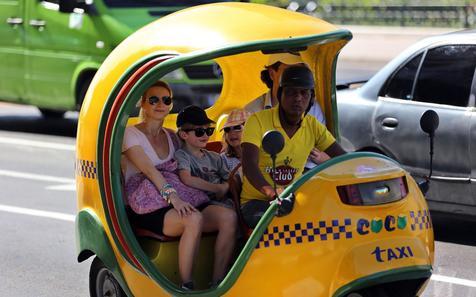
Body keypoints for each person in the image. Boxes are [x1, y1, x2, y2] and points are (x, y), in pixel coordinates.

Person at [121, 82, 236, 290]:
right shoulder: (131, 134)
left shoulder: (172, 135)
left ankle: (217, 283)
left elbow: (190, 160)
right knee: (194, 218)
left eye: (166, 100)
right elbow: (150, 171)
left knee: (228, 217)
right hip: (149, 204)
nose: (161, 104)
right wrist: (173, 198)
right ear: (143, 103)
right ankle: (187, 285)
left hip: (180, 198)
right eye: (154, 99)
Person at [240, 66, 347, 228]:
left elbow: (343, 158)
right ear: (280, 95)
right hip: (256, 202)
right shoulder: (257, 120)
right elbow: (249, 164)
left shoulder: (313, 126)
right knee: (285, 226)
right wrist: (272, 192)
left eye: (304, 93)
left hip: (293, 199)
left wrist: (365, 169)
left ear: (311, 98)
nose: (298, 98)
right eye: (291, 92)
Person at [245, 53, 330, 168]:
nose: (296, 76)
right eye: (289, 70)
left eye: (299, 70)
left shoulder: (313, 109)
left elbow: (324, 151)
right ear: (271, 74)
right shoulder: (251, 111)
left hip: (308, 176)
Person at [175, 105, 233, 202]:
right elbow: (186, 179)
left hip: (223, 201)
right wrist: (217, 188)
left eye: (209, 131)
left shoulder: (215, 157)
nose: (206, 135)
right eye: (200, 131)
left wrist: (225, 187)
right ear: (184, 134)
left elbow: (229, 179)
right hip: (199, 203)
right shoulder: (182, 155)